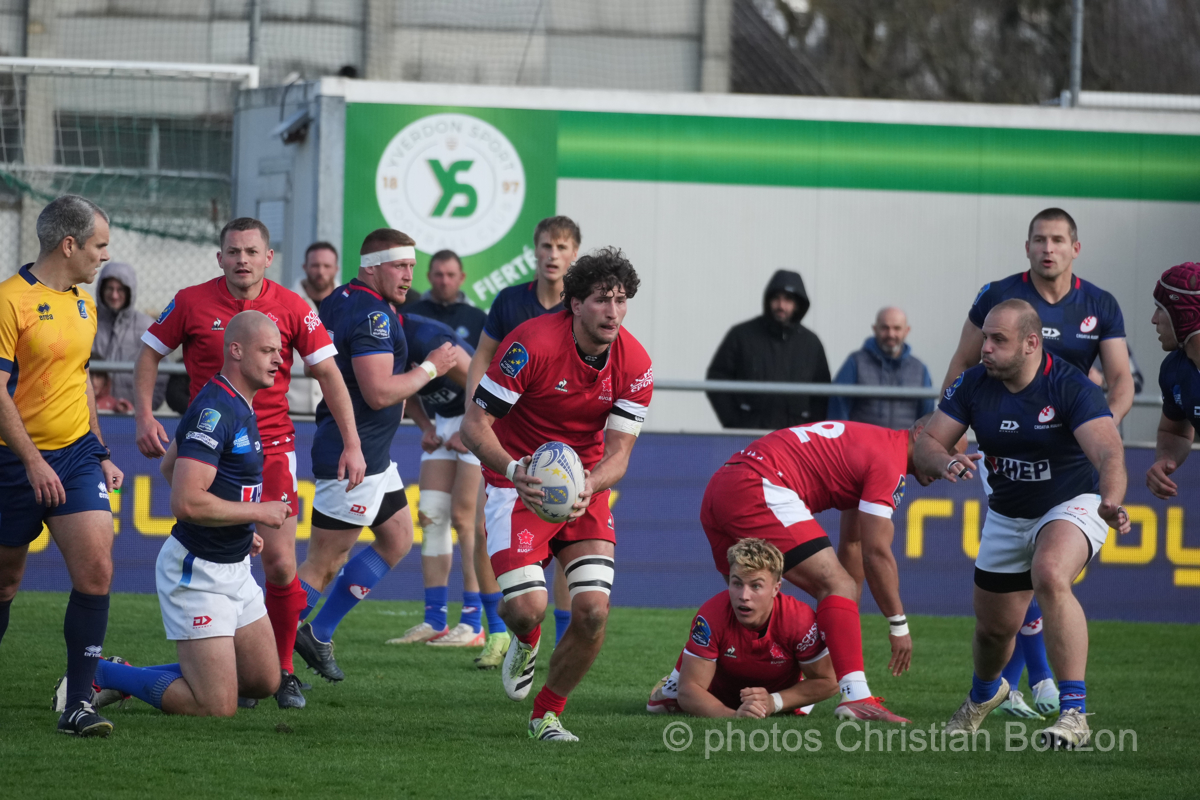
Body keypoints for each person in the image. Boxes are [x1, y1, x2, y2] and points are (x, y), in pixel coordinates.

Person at [132, 218, 366, 709]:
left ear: (268, 257)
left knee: (281, 564)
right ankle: (193, 663)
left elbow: (328, 372)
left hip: (270, 447)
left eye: (251, 251)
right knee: (206, 525)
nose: (242, 259)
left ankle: (281, 671)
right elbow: (150, 353)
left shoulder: (292, 306)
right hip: (209, 444)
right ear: (219, 258)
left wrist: (352, 443)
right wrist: (145, 416)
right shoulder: (192, 301)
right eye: (233, 251)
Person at [940, 208, 1135, 720]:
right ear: (1026, 247)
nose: (1048, 248)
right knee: (995, 619)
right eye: (1038, 240)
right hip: (1007, 457)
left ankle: (1065, 701)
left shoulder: (1099, 304)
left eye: (1057, 240)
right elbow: (962, 365)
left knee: (1050, 571)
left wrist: (1092, 428)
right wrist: (948, 441)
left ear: (1075, 248)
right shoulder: (998, 297)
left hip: (1074, 466)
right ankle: (992, 689)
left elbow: (1120, 384)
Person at [917, 299, 1131, 749]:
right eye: (985, 337)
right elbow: (928, 442)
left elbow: (1109, 452)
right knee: (994, 631)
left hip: (1073, 504)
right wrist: (944, 460)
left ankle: (1074, 712)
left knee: (1050, 574)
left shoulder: (1070, 386)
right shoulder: (973, 384)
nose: (985, 348)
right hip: (1007, 514)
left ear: (1032, 343)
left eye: (998, 340)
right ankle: (983, 695)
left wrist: (1110, 501)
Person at [461, 246, 653, 742]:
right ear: (574, 303)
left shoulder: (636, 362)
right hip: (516, 481)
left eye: (620, 300)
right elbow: (474, 426)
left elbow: (620, 454)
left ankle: (545, 714)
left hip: (584, 488)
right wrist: (513, 468)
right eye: (600, 300)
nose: (612, 311)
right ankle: (525, 639)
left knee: (592, 612)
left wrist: (590, 483)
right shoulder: (531, 344)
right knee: (528, 608)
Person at [73, 311, 292, 717]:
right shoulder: (216, 410)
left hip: (234, 565)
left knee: (264, 680)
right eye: (268, 350)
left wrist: (240, 525)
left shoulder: (238, 402)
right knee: (217, 707)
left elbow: (170, 467)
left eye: (279, 351)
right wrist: (256, 511)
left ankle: (194, 672)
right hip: (197, 573)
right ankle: (103, 673)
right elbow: (186, 501)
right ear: (237, 351)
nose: (279, 359)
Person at [686, 411, 957, 724]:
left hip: (724, 483)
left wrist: (843, 627)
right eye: (948, 450)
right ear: (922, 433)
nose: (949, 464)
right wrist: (898, 624)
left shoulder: (874, 444)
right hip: (759, 484)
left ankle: (684, 685)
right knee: (827, 585)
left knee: (743, 603)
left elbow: (854, 546)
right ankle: (856, 697)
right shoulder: (890, 462)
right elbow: (876, 553)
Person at [293, 230, 457, 682]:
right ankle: (267, 658)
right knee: (322, 565)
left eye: (411, 266)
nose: (410, 276)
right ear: (372, 266)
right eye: (400, 266)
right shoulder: (372, 314)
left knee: (397, 538)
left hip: (373, 458)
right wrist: (430, 369)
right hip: (354, 458)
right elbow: (380, 392)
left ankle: (318, 633)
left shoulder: (343, 297)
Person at [0, 195, 123, 736]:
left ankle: (78, 705)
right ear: (69, 244)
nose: (105, 257)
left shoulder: (84, 303)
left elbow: (80, 381)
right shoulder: (9, 301)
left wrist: (99, 450)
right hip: (13, 461)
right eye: (99, 246)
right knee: (5, 581)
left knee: (97, 571)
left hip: (74, 457)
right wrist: (31, 461)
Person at [464, 216, 581, 667]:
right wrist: (476, 418)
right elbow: (483, 357)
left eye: (562, 246)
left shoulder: (581, 309)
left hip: (565, 447)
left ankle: (564, 641)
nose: (553, 254)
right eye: (546, 246)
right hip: (508, 440)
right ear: (534, 250)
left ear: (574, 254)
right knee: (481, 530)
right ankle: (500, 632)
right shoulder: (512, 302)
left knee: (565, 542)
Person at [646, 539, 837, 717]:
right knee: (658, 707)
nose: (744, 595)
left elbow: (829, 681)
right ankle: (674, 678)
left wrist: (774, 701)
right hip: (719, 693)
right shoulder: (711, 615)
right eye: (737, 583)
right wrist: (733, 716)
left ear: (776, 588)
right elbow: (689, 691)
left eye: (756, 586)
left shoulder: (800, 620)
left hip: (775, 690)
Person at [384, 314, 482, 647]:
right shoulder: (383, 338)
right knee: (431, 515)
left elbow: (481, 384)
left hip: (482, 417)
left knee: (465, 520)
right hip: (444, 421)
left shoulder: (426, 336)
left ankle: (473, 624)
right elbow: (404, 389)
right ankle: (436, 619)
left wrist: (468, 430)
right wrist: (426, 426)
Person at [706, 269, 830, 430]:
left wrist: (810, 429)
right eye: (776, 298)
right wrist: (735, 422)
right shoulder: (742, 335)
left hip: (794, 440)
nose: (781, 305)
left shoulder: (811, 343)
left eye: (788, 300)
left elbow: (823, 391)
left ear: (798, 304)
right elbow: (717, 377)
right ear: (768, 300)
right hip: (750, 436)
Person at [829, 306, 935, 428]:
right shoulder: (856, 362)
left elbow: (926, 417)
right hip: (863, 445)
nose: (891, 334)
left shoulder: (920, 369)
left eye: (897, 328)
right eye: (885, 328)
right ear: (875, 329)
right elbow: (838, 408)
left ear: (907, 330)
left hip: (904, 446)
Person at [1147, 263, 1200, 501]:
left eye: (1161, 308)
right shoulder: (1174, 370)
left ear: (1186, 314)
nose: (1153, 319)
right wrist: (1165, 460)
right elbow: (1174, 432)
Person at [92, 261, 166, 411]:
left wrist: (143, 409)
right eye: (109, 288)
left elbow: (162, 372)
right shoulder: (87, 321)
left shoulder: (147, 327)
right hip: (88, 413)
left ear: (130, 292)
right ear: (101, 289)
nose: (114, 295)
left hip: (133, 416)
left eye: (120, 290)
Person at [287, 241, 341, 415]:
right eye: (315, 265)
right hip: (291, 406)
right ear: (305, 267)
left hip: (335, 407)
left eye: (327, 266)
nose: (321, 272)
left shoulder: (350, 304)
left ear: (336, 269)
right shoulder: (285, 303)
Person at [406, 249, 487, 347]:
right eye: (439, 275)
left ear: (462, 277)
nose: (445, 281)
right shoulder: (409, 315)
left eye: (451, 275)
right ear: (429, 276)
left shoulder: (479, 319)